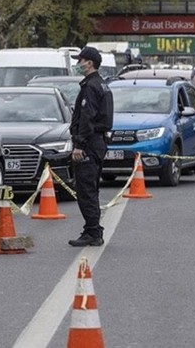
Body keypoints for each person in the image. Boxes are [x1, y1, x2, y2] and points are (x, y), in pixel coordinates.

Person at [68, 47, 114, 247]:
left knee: (86, 189)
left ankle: (93, 231)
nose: (78, 64)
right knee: (90, 187)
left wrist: (79, 144)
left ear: (90, 63)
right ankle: (92, 229)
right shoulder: (102, 85)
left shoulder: (90, 87)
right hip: (98, 142)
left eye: (81, 61)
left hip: (90, 143)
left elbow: (87, 117)